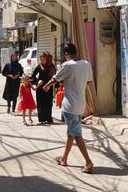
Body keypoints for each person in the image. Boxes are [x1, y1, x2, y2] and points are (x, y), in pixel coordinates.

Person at [44, 44, 94, 172]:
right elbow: (89, 82)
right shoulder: (86, 64)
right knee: (71, 133)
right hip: (81, 104)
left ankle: (88, 163)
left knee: (76, 134)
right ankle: (64, 159)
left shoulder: (67, 65)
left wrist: (47, 86)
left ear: (66, 54)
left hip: (70, 105)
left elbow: (55, 78)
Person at [32, 52, 56, 124]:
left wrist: (51, 85)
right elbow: (33, 76)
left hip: (48, 87)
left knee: (48, 103)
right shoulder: (39, 66)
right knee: (41, 103)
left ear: (47, 59)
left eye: (44, 59)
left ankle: (48, 118)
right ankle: (42, 119)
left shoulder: (51, 66)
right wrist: (37, 81)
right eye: (41, 59)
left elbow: (54, 77)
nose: (42, 61)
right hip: (40, 88)